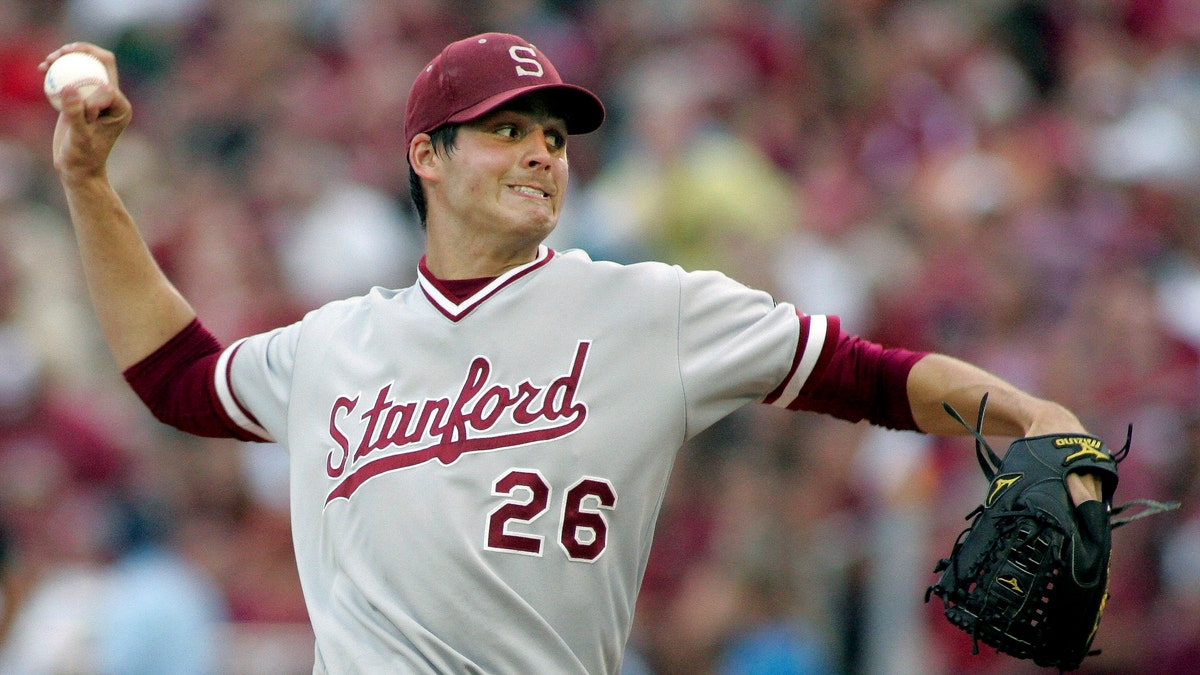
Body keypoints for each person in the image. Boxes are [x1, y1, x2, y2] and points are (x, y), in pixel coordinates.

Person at [46, 32, 1103, 674]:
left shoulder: (651, 310)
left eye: (555, 134)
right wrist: (91, 188)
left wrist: (1026, 415)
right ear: (428, 154)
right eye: (507, 129)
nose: (543, 153)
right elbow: (177, 379)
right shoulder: (336, 343)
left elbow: (866, 375)